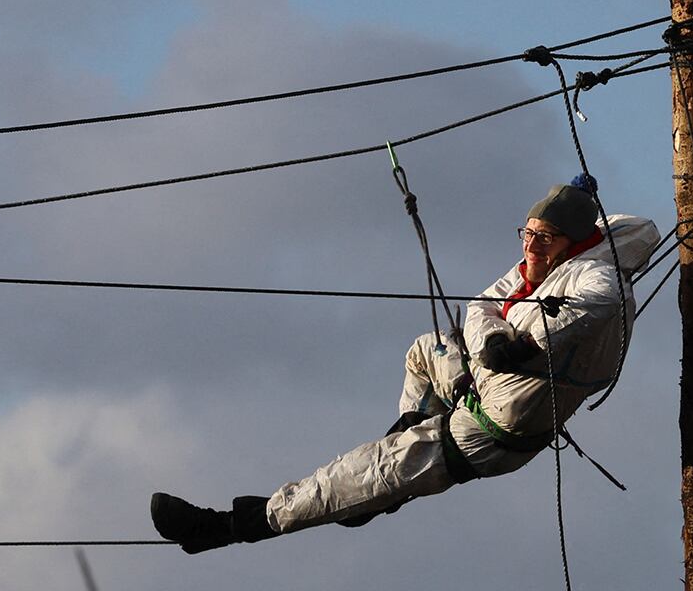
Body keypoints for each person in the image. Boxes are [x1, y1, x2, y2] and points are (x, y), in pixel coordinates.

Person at [150, 182, 660, 554]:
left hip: (489, 435)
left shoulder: (596, 279)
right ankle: (402, 446)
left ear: (574, 243)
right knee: (426, 349)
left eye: (545, 238)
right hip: (486, 382)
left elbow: (599, 306)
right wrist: (492, 346)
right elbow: (481, 305)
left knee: (353, 474)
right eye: (527, 234)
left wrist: (528, 342)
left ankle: (222, 528)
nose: (530, 246)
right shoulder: (537, 268)